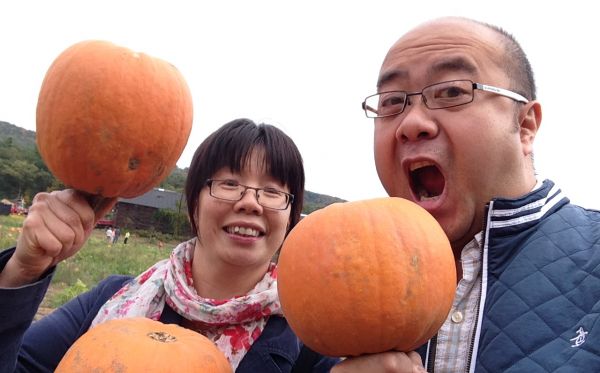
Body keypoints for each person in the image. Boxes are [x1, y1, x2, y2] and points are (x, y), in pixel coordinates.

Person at [333, 17, 600, 372]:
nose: (411, 123)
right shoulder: (338, 289)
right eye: (392, 101)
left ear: (525, 126)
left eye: (453, 92)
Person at [0, 118, 338, 372]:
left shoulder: (309, 345)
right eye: (229, 183)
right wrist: (20, 271)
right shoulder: (110, 298)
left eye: (272, 191)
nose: (250, 202)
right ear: (193, 204)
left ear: (292, 217)